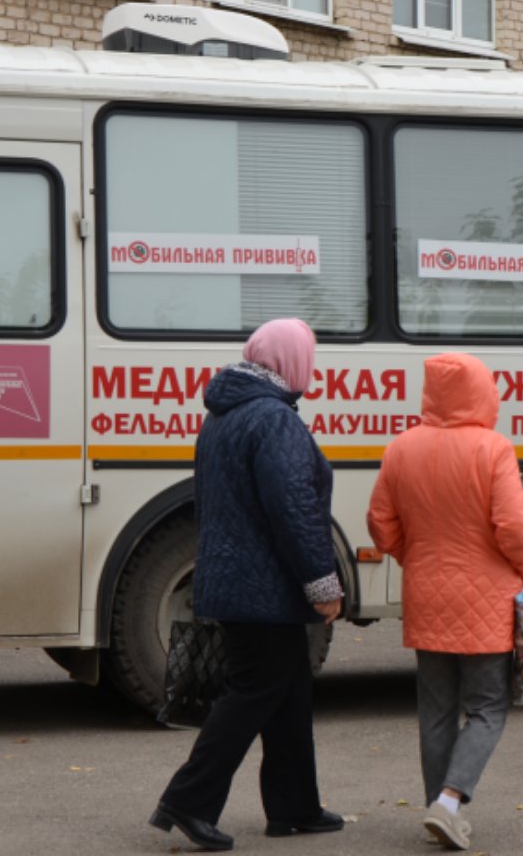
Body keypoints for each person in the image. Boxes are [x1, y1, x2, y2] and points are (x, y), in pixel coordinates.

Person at [150, 318, 346, 852]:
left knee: (288, 690)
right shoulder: (273, 420)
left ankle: (294, 806)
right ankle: (188, 800)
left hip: (235, 580)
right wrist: (322, 583)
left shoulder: (224, 416)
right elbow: (295, 511)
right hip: (265, 589)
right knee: (256, 690)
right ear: (290, 362)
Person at [366, 352, 523, 852]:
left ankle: (437, 807)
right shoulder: (493, 448)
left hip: (426, 593)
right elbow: (515, 528)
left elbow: (381, 524)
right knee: (488, 706)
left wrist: (414, 557)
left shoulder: (401, 447)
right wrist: (522, 569)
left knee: (436, 709)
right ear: (482, 392)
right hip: (486, 597)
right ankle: (448, 801)